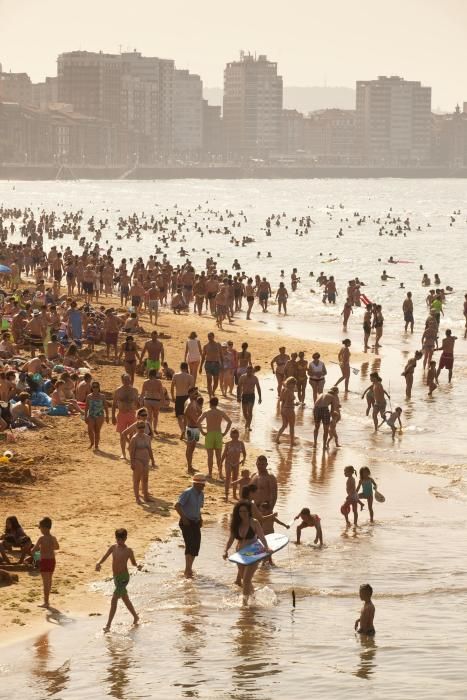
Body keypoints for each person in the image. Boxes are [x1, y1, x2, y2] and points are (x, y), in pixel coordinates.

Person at [223, 500, 271, 605]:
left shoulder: (254, 522)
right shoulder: (236, 524)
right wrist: (225, 550)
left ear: (249, 511)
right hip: (240, 554)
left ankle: (244, 604)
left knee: (245, 580)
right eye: (240, 512)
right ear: (237, 512)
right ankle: (254, 598)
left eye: (245, 511)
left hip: (253, 554)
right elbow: (231, 539)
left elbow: (262, 537)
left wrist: (266, 548)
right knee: (244, 579)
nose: (243, 514)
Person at [95, 528, 141, 632]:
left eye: (122, 539)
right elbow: (105, 556)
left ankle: (108, 625)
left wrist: (138, 565)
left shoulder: (128, 551)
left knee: (114, 599)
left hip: (124, 578)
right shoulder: (113, 547)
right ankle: (135, 616)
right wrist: (99, 563)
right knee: (125, 598)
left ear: (125, 538)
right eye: (118, 539)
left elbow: (133, 563)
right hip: (116, 578)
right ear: (116, 538)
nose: (119, 542)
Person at [175, 473, 206, 578]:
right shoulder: (187, 493)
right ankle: (188, 570)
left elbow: (198, 509)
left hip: (196, 521)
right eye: (202, 484)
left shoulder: (201, 494)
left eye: (203, 484)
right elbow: (177, 505)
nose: (203, 486)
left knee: (196, 545)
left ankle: (188, 568)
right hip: (186, 522)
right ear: (196, 484)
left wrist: (200, 518)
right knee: (190, 544)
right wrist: (184, 518)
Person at [197, 397, 232, 478]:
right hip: (218, 434)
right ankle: (220, 473)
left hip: (209, 434)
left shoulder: (206, 412)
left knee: (210, 456)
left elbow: (198, 422)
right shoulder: (220, 412)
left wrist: (202, 432)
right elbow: (229, 422)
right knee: (218, 456)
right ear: (217, 403)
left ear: (210, 403)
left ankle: (210, 473)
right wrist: (225, 433)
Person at [31, 517, 59, 609]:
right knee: (49, 581)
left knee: (45, 583)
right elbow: (57, 547)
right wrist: (49, 548)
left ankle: (46, 602)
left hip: (44, 561)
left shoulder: (41, 538)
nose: (40, 529)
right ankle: (47, 600)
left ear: (44, 528)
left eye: (40, 527)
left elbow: (33, 550)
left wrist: (37, 559)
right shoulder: (53, 538)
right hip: (52, 561)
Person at [112, 374, 139, 459]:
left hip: (131, 413)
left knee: (132, 434)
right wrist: (112, 416)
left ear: (130, 380)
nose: (127, 381)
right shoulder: (118, 391)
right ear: (122, 380)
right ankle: (123, 453)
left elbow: (138, 404)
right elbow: (113, 404)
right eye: (125, 380)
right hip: (121, 414)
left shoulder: (134, 390)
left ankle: (130, 448)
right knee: (122, 435)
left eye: (128, 379)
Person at [128, 422, 156, 503]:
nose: (141, 429)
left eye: (143, 427)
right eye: (140, 427)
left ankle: (146, 497)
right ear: (136, 428)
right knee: (137, 479)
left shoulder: (147, 437)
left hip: (146, 460)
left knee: (146, 478)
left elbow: (150, 449)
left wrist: (153, 460)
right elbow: (131, 451)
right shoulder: (134, 438)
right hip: (138, 459)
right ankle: (137, 498)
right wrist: (132, 462)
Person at [221, 428, 246, 501]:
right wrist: (221, 463)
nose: (235, 436)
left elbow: (244, 453)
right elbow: (224, 454)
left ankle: (234, 495)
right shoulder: (228, 444)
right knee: (228, 479)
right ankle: (226, 495)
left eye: (236, 434)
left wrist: (243, 460)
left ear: (238, 435)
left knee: (235, 479)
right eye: (233, 434)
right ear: (231, 435)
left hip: (237, 463)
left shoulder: (241, 443)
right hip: (228, 462)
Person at [171, 362, 195, 439]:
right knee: (185, 416)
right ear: (187, 368)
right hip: (187, 397)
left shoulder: (175, 375)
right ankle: (185, 429)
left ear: (180, 367)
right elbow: (192, 390)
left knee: (179, 416)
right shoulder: (190, 377)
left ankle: (182, 430)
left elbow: (172, 387)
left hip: (178, 396)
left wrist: (172, 397)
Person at [84, 380, 109, 450]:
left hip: (100, 415)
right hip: (91, 415)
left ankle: (96, 445)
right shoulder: (89, 396)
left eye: (96, 387)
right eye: (94, 387)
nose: (95, 388)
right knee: (89, 430)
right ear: (92, 388)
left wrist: (107, 416)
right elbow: (86, 407)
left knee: (97, 431)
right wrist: (85, 416)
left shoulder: (102, 396)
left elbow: (106, 407)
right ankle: (92, 442)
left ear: (99, 388)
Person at [237, 365, 262, 431]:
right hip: (244, 395)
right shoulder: (242, 377)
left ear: (252, 371)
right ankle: (247, 422)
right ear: (246, 371)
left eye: (250, 372)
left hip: (251, 396)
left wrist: (260, 397)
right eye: (248, 371)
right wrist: (238, 397)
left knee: (250, 411)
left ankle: (248, 426)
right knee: (244, 412)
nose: (249, 373)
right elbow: (239, 387)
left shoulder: (255, 378)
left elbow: (258, 388)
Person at [184, 389, 203, 473]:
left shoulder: (194, 402)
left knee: (192, 448)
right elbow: (186, 412)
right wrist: (194, 419)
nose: (196, 395)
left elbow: (200, 412)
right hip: (191, 427)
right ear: (190, 394)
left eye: (197, 393)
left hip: (195, 427)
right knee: (189, 447)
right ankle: (189, 466)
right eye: (195, 393)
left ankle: (190, 465)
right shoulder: (189, 402)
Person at [140, 368, 164, 433]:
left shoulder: (145, 382)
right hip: (156, 400)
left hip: (148, 400)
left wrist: (140, 401)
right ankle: (155, 428)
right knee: (155, 416)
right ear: (155, 374)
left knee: (149, 416)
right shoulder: (158, 382)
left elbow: (142, 393)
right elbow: (161, 392)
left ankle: (149, 429)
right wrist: (163, 401)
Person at [200, 332, 223, 397]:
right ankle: (210, 395)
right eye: (208, 336)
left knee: (216, 382)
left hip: (216, 364)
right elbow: (203, 357)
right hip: (208, 364)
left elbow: (221, 355)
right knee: (209, 380)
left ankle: (213, 391)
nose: (209, 338)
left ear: (213, 336)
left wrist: (222, 364)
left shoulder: (218, 345)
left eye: (210, 336)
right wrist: (201, 367)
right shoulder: (205, 346)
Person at [276, 376, 297, 444]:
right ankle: (292, 442)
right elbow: (292, 399)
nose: (294, 385)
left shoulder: (283, 389)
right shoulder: (289, 390)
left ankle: (277, 438)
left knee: (284, 425)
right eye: (294, 384)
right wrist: (296, 403)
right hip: (289, 409)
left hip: (283, 409)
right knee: (291, 426)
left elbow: (281, 399)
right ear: (291, 383)